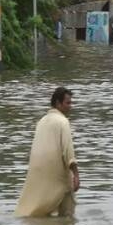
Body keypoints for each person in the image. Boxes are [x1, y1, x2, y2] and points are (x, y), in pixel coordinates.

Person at [15, 87, 80, 217]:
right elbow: (68, 152)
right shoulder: (62, 121)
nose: (70, 106)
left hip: (40, 173)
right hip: (58, 176)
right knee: (67, 216)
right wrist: (76, 175)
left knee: (42, 211)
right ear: (57, 103)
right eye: (67, 103)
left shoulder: (42, 121)